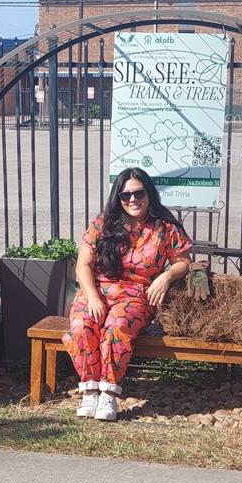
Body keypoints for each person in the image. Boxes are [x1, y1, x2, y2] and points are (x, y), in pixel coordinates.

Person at [63, 167, 193, 421]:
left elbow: (184, 261)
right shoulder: (103, 223)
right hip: (96, 291)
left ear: (149, 193)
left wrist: (166, 277)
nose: (133, 200)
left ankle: (109, 394)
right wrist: (92, 297)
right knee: (81, 325)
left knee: (117, 326)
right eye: (126, 196)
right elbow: (83, 265)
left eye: (138, 193)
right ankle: (90, 390)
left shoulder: (164, 227)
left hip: (135, 296)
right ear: (118, 198)